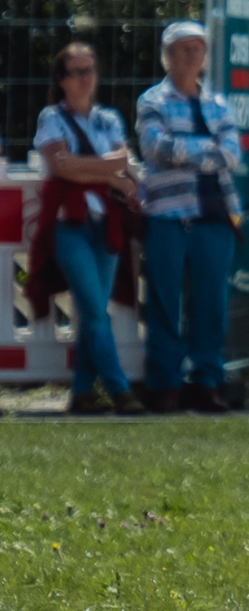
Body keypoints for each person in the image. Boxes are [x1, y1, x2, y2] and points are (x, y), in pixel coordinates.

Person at [132, 19, 246, 412]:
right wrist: (206, 151)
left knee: (211, 303)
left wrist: (187, 150)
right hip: (166, 216)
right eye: (184, 48)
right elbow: (153, 146)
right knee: (165, 302)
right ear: (167, 56)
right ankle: (165, 384)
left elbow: (232, 154)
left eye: (198, 48)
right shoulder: (152, 102)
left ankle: (207, 382)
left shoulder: (219, 104)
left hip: (215, 217)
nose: (192, 55)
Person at [28, 41, 143, 415]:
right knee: (96, 311)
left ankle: (81, 392)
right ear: (61, 80)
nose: (84, 79)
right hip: (69, 225)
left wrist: (92, 168)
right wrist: (108, 169)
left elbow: (123, 163)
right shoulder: (52, 118)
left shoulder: (108, 118)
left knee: (92, 311)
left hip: (104, 222)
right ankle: (120, 390)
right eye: (75, 72)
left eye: (89, 71)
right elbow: (61, 166)